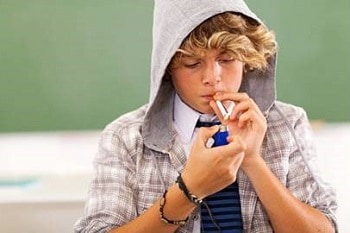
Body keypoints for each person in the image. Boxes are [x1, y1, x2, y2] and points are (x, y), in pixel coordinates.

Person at [74, 0, 338, 232]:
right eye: (192, 63)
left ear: (247, 59)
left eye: (227, 59)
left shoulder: (287, 123)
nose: (213, 78)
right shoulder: (125, 137)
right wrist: (189, 190)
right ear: (167, 69)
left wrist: (252, 160)